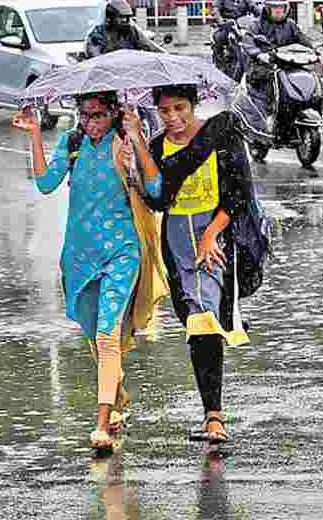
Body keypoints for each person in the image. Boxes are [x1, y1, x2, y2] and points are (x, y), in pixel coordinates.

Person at [13, 92, 168, 451]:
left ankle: (102, 424)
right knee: (92, 330)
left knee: (106, 335)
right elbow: (45, 183)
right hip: (80, 255)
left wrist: (137, 150)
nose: (90, 122)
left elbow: (156, 189)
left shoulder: (125, 142)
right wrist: (35, 133)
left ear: (114, 113)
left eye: (98, 115)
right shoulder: (72, 142)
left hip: (122, 252)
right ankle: (115, 396)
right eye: (84, 115)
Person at [124, 84, 271, 446]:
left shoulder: (221, 134)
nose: (173, 118)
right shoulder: (157, 147)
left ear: (194, 105)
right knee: (194, 322)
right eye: (165, 111)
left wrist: (210, 236)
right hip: (175, 245)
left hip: (217, 239)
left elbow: (239, 192)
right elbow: (157, 199)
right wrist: (138, 144)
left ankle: (214, 416)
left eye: (180, 108)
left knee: (203, 318)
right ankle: (212, 412)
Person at [240, 0, 323, 143]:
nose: (279, 11)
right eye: (275, 8)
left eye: (282, 7)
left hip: (288, 63)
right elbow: (248, 42)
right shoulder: (256, 25)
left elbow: (303, 39)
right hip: (263, 66)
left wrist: (318, 54)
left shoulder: (290, 25)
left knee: (305, 76)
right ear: (267, 9)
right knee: (268, 83)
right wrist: (260, 54)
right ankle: (269, 115)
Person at [85, 0, 157, 57]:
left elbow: (150, 46)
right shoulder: (98, 34)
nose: (125, 21)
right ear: (110, 18)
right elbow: (96, 59)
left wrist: (166, 57)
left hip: (131, 70)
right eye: (121, 17)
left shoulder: (132, 31)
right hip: (108, 72)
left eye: (127, 18)